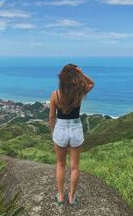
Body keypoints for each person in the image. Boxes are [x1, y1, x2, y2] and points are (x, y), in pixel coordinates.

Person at [48, 63, 94, 207]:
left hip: (60, 129)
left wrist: (53, 131)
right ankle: (72, 198)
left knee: (60, 165)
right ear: (74, 78)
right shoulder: (79, 93)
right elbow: (92, 83)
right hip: (76, 128)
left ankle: (60, 197)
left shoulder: (55, 94)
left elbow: (51, 116)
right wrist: (81, 73)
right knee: (74, 167)